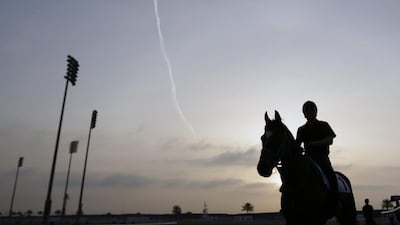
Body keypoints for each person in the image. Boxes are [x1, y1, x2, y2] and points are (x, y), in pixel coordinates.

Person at [296, 101, 338, 204]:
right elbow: (297, 145)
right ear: (304, 113)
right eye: (307, 111)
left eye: (311, 110)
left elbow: (330, 140)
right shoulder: (301, 129)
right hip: (307, 159)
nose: (309, 112)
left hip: (322, 158)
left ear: (316, 111)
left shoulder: (323, 125)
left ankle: (335, 201)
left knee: (331, 175)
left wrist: (314, 144)